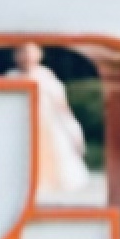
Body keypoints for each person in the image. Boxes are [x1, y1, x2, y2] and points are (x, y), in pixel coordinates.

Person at [15, 41, 98, 203]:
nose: (27, 57)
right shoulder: (12, 76)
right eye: (23, 52)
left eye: (31, 52)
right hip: (19, 126)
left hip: (45, 124)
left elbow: (60, 104)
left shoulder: (45, 76)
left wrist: (72, 127)